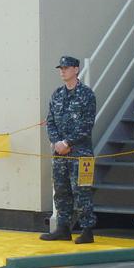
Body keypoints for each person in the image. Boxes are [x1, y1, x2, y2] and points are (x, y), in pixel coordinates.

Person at [41, 56, 98, 244]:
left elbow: (87, 124)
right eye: (61, 68)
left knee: (82, 191)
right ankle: (63, 228)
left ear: (76, 69)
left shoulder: (87, 94)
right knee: (61, 189)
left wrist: (67, 142)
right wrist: (57, 141)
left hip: (80, 153)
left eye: (66, 68)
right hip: (60, 153)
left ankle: (87, 230)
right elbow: (50, 121)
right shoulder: (57, 94)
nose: (62, 71)